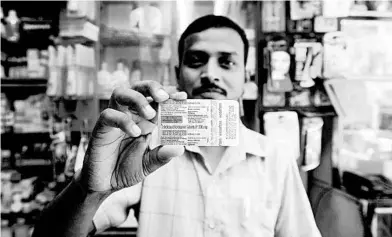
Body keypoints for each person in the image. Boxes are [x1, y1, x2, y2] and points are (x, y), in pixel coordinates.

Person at [32, 15, 321, 237]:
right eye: (196, 61)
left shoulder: (275, 159)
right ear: (177, 74)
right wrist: (89, 189)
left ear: (246, 79)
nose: (210, 74)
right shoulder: (146, 149)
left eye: (227, 62)